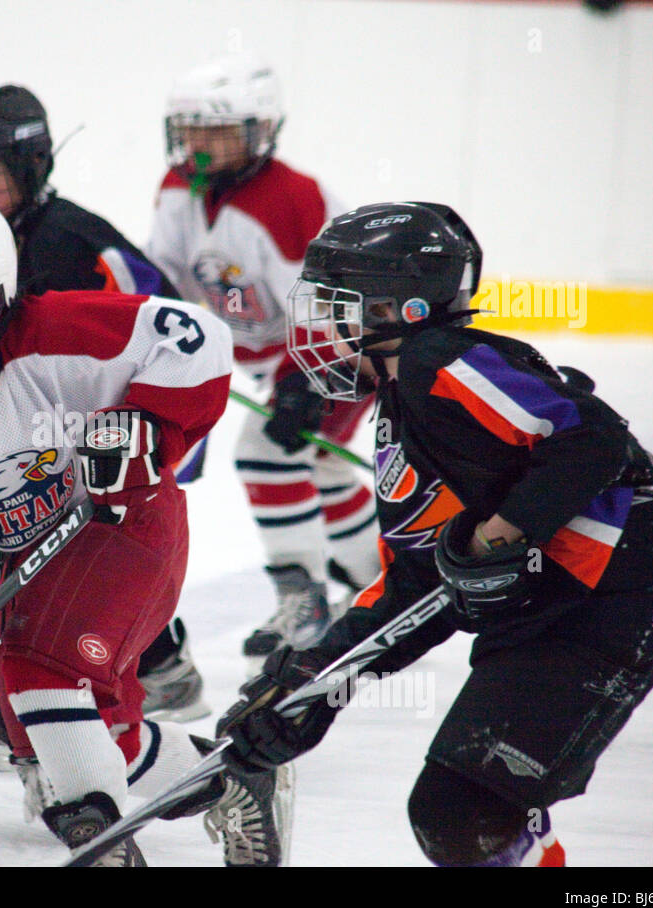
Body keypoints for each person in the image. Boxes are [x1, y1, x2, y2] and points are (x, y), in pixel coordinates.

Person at [218, 201, 653, 866]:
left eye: (340, 308)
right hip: (554, 607)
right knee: (457, 814)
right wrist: (314, 682)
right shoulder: (398, 408)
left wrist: (499, 533)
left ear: (401, 311)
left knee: (461, 811)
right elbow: (416, 585)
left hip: (619, 593)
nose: (323, 329)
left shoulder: (440, 363)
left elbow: (591, 441)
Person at [0, 200, 290, 865]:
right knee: (76, 734)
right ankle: (234, 779)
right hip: (35, 567)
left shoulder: (61, 328)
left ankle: (98, 839)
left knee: (33, 671)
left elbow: (197, 338)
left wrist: (146, 425)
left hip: (127, 525)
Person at [0, 84, 210, 768]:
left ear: (32, 169)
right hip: (69, 428)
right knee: (49, 545)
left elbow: (165, 334)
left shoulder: (62, 244)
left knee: (61, 559)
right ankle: (158, 667)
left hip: (139, 422)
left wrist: (146, 426)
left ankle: (74, 708)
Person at [147, 53, 382, 668]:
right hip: (271, 351)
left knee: (265, 454)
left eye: (217, 130)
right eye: (191, 127)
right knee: (323, 469)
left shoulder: (290, 199)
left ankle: (304, 602)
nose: (199, 144)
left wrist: (309, 384)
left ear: (260, 130)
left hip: (345, 349)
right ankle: (380, 584)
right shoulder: (177, 188)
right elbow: (163, 280)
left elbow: (330, 309)